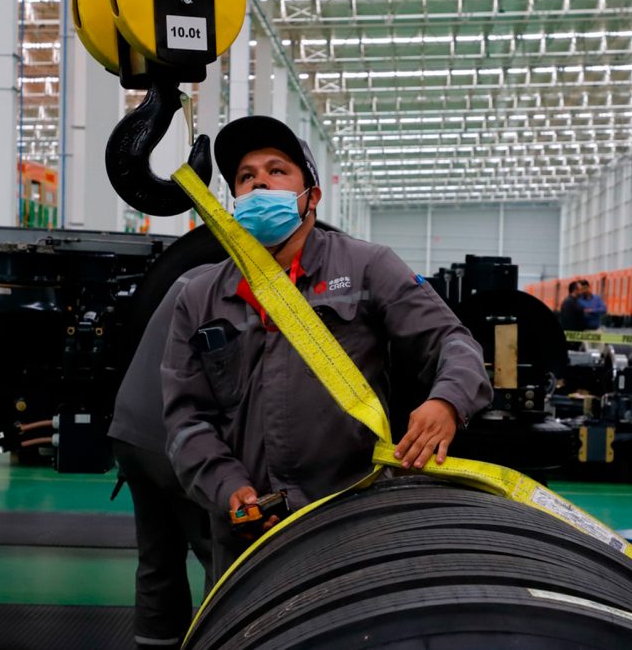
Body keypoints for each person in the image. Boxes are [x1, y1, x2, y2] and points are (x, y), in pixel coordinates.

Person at [161, 115, 493, 579]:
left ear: (311, 196)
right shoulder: (201, 297)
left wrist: (447, 402)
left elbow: (452, 342)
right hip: (248, 532)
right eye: (246, 177)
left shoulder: (365, 266)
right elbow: (186, 418)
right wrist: (228, 487)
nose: (260, 183)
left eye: (277, 171)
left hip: (352, 516)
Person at [109, 265, 215, 650]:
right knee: (226, 559)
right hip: (174, 440)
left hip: (131, 433)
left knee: (158, 561)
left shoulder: (192, 274)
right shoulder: (233, 288)